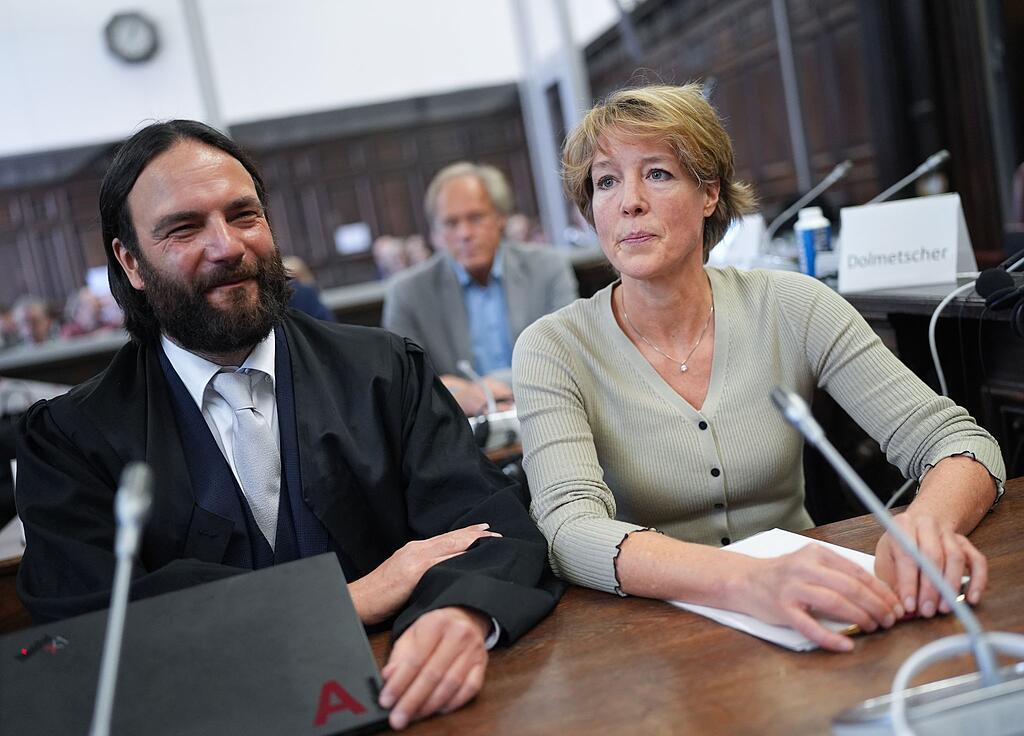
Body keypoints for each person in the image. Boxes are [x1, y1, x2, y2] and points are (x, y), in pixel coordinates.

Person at [15, 121, 561, 731]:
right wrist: (346, 600)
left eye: (243, 215)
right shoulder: (71, 440)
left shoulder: (382, 372)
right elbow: (89, 630)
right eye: (185, 228)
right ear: (131, 262)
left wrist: (460, 614)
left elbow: (490, 526)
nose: (227, 246)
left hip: (411, 706)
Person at [512, 84, 1006, 653]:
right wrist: (745, 581)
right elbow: (568, 530)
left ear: (709, 193)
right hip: (656, 642)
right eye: (606, 182)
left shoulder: (792, 304)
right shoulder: (553, 347)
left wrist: (928, 526)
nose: (629, 202)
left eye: (657, 174)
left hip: (817, 614)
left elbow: (958, 441)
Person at [383, 162, 578, 416]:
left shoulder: (547, 268)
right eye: (451, 223)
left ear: (501, 218)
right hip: (459, 426)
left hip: (548, 410)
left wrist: (470, 388)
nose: (464, 233)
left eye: (475, 218)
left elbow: (569, 356)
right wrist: (460, 399)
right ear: (435, 233)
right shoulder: (407, 293)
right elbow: (405, 387)